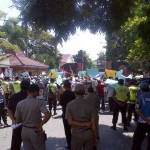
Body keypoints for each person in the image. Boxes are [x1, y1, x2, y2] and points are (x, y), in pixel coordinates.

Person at [15, 84, 51, 150]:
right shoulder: (39, 102)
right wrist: (41, 124)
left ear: (28, 92)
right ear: (36, 92)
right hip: (36, 130)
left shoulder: (20, 103)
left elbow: (17, 120)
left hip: (24, 130)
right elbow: (48, 115)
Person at [66, 84, 96, 150]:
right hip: (88, 134)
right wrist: (94, 138)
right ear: (84, 93)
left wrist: (82, 124)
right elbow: (93, 124)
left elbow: (70, 122)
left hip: (76, 134)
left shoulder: (69, 105)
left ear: (75, 93)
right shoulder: (90, 105)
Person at [7, 80, 30, 150]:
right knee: (31, 145)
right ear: (29, 87)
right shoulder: (32, 97)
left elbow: (9, 109)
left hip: (17, 123)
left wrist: (13, 120)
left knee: (15, 145)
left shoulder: (14, 96)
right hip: (29, 125)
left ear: (20, 87)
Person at [132, 82, 150, 150]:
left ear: (141, 88)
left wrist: (146, 120)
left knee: (137, 141)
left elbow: (137, 110)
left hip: (143, 122)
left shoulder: (140, 96)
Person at [60, 80, 75, 149]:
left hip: (65, 114)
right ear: (70, 86)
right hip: (73, 114)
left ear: (64, 86)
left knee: (67, 130)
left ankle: (69, 145)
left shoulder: (63, 94)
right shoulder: (73, 94)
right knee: (74, 129)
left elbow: (61, 103)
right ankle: (76, 143)